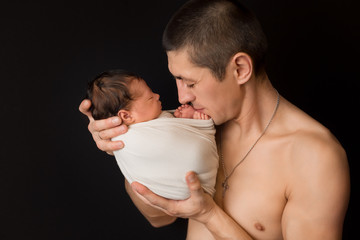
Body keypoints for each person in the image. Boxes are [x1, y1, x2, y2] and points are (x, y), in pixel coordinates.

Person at [79, 0, 350, 239]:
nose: (181, 97)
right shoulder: (192, 124)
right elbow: (159, 217)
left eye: (190, 82)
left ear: (240, 69)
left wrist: (209, 215)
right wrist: (127, 144)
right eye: (177, 78)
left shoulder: (313, 157)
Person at [85, 69, 219, 200]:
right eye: (150, 98)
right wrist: (197, 125)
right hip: (182, 188)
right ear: (126, 115)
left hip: (189, 192)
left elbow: (174, 137)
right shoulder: (127, 138)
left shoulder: (155, 121)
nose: (157, 96)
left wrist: (182, 120)